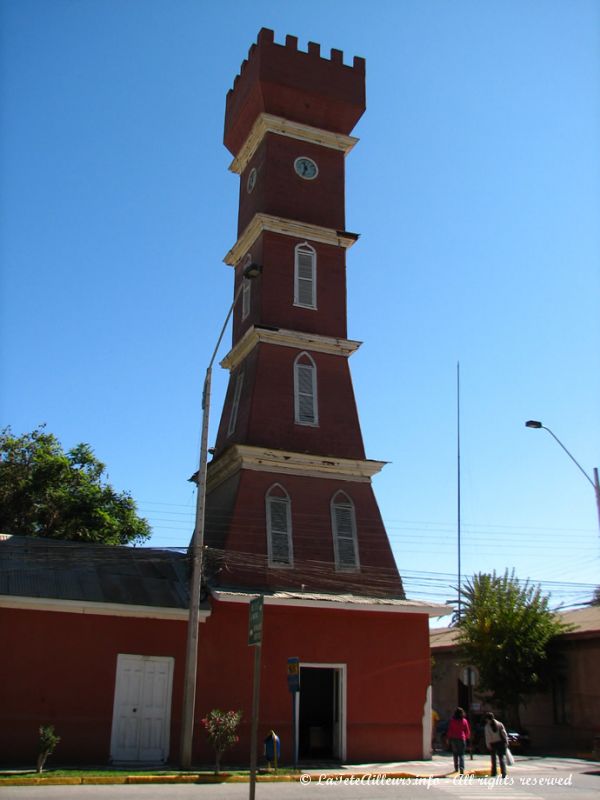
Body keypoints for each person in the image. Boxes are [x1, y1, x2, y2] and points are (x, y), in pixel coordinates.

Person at [484, 711, 509, 778]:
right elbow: (504, 733)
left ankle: (493, 772)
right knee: (501, 758)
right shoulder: (500, 724)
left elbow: (488, 737)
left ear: (487, 719)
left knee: (493, 759)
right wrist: (506, 741)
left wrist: (488, 745)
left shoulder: (487, 727)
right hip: (500, 742)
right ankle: (504, 773)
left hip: (493, 743)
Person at [446, 707, 471, 774]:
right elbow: (467, 730)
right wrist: (467, 737)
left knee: (455, 754)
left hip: (454, 739)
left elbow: (450, 730)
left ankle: (456, 767)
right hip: (462, 738)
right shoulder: (464, 721)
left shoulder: (452, 720)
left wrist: (448, 738)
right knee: (461, 754)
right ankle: (462, 768)